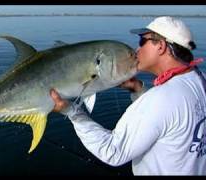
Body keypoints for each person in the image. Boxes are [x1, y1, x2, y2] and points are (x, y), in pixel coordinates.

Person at [49, 16, 206, 175]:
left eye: (142, 42)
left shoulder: (161, 99)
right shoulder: (200, 79)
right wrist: (138, 89)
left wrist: (72, 112)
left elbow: (113, 151)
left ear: (161, 46)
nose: (137, 50)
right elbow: (173, 119)